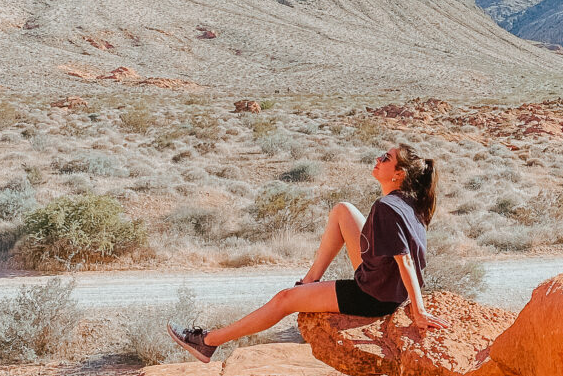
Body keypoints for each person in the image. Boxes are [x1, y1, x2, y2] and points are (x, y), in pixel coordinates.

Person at [167, 140, 446, 363]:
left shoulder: (387, 208)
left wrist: (418, 311)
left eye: (385, 158)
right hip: (384, 283)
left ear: (399, 174)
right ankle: (310, 280)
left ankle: (207, 342)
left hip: (373, 296)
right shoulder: (407, 203)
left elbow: (405, 260)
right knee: (343, 210)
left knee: (284, 299)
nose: (377, 159)